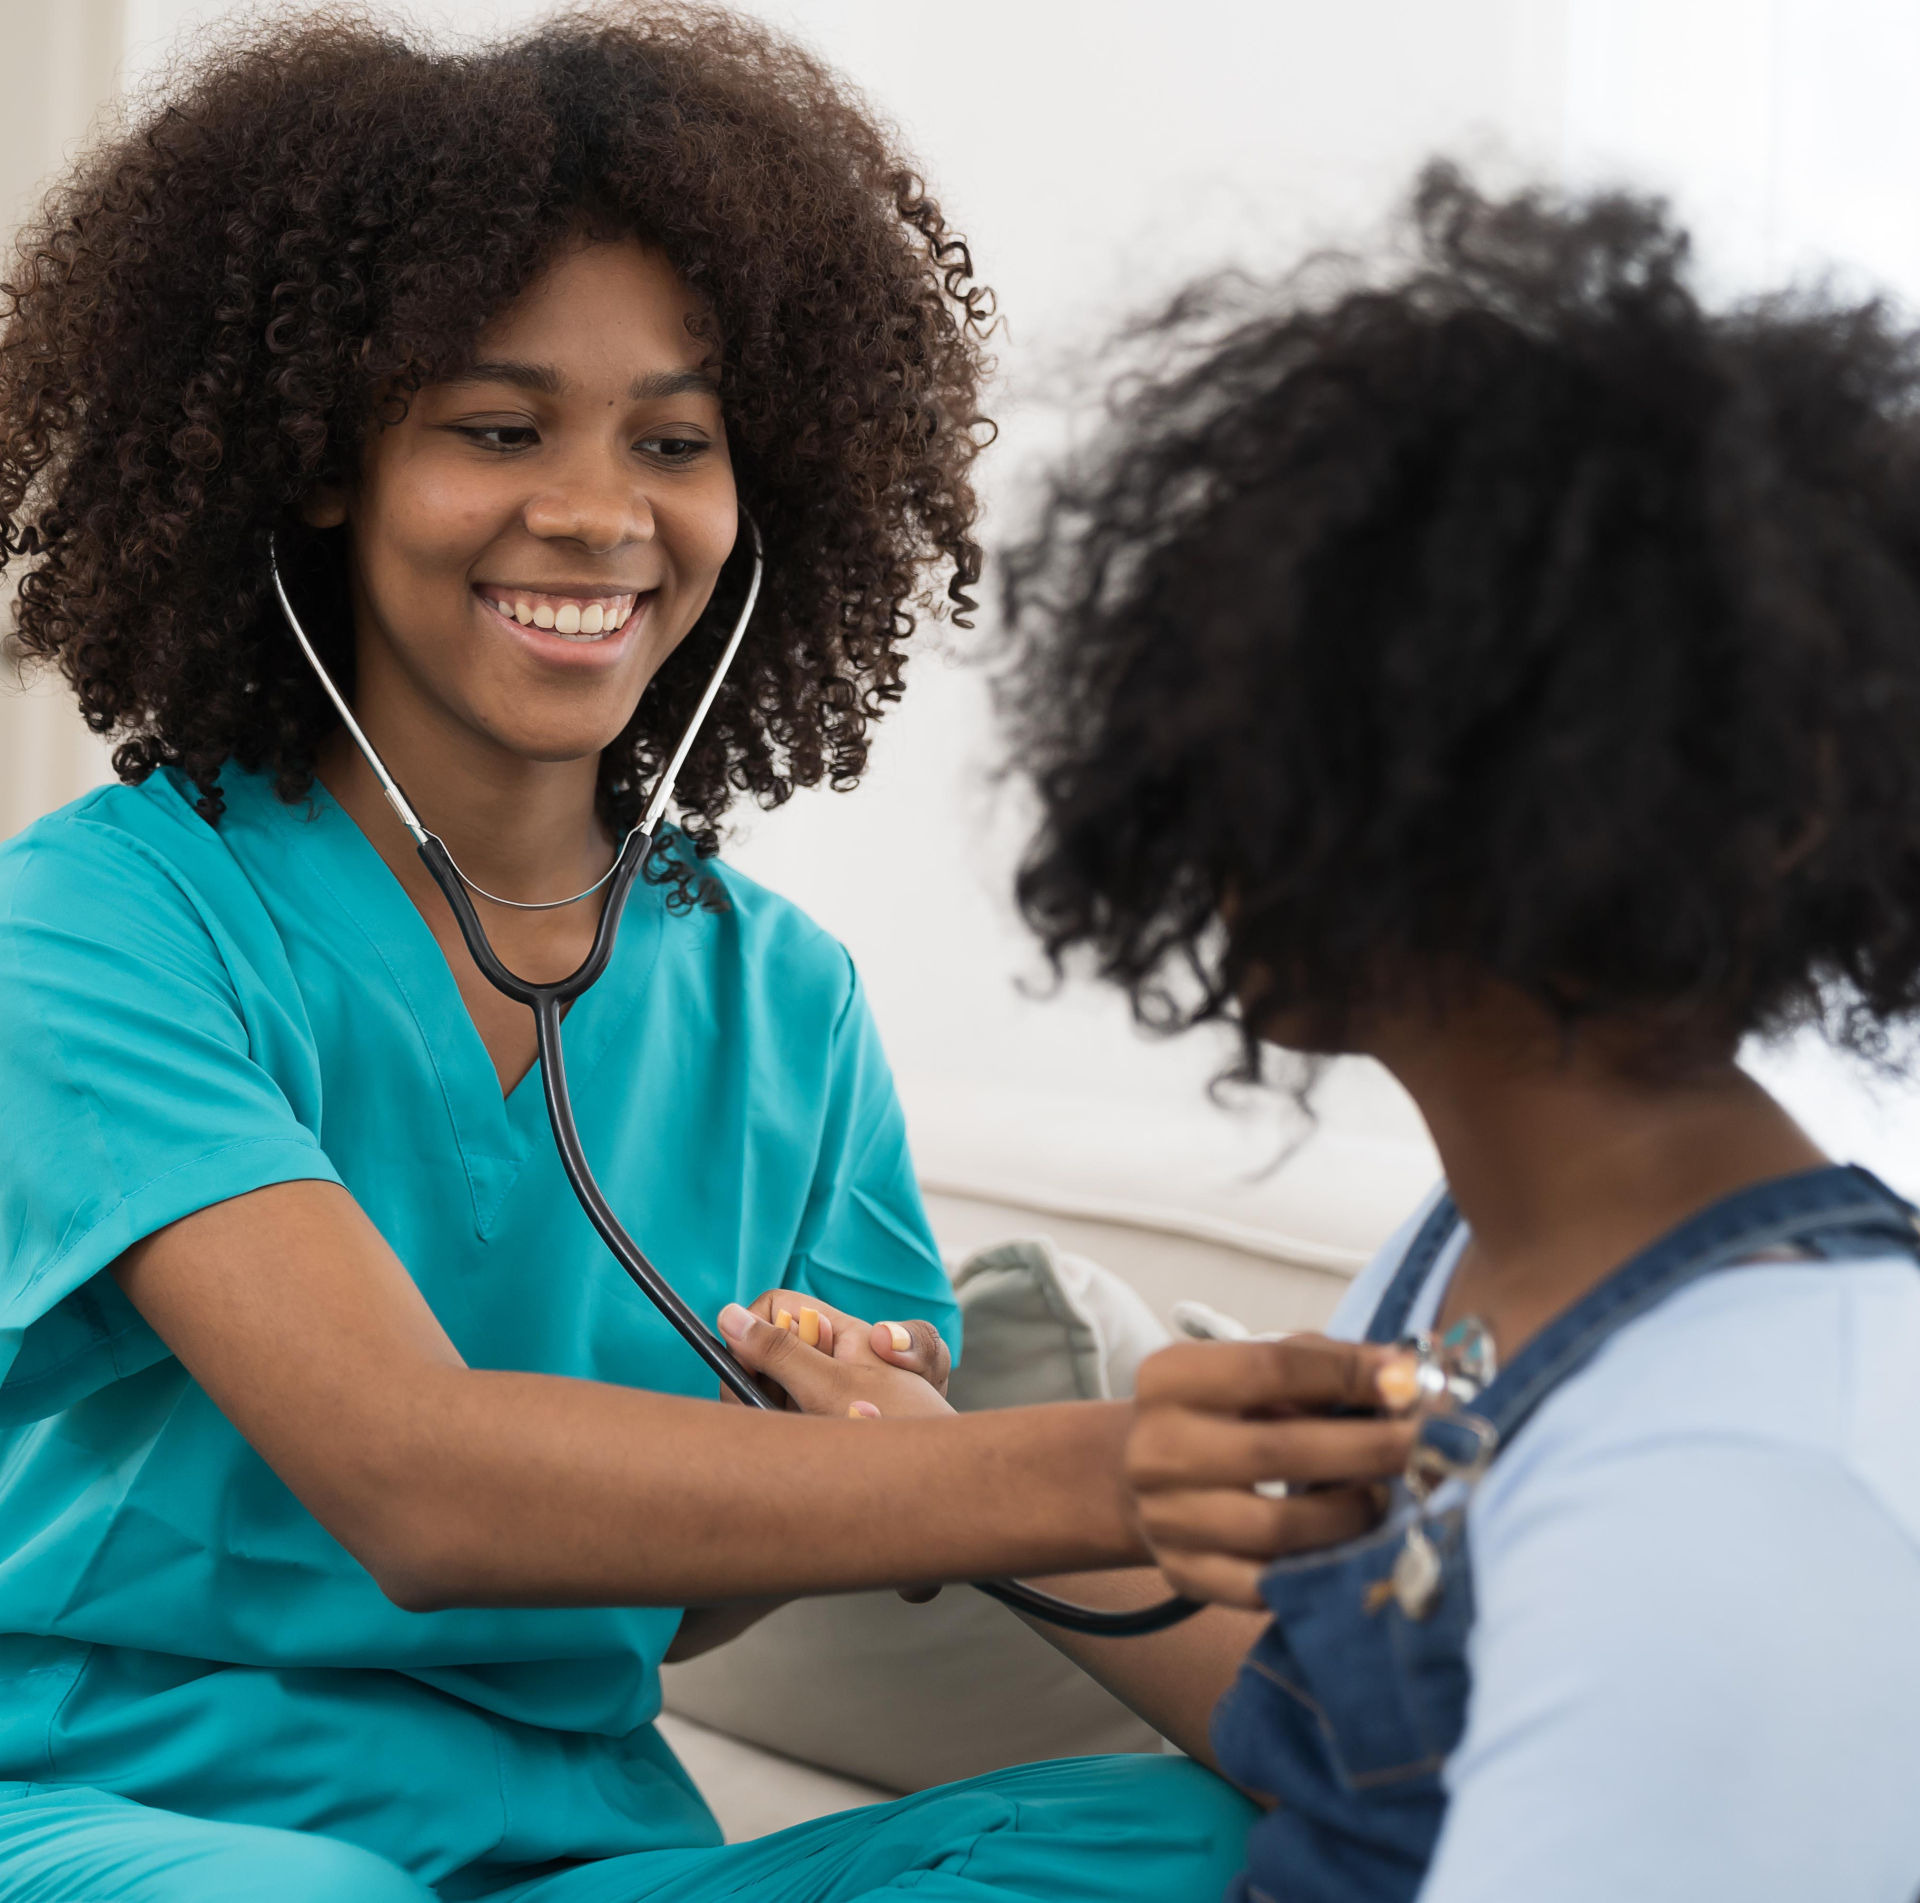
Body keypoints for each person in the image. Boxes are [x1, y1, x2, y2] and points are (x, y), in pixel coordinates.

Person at [0, 10, 1291, 1898]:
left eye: (674, 440)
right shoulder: (105, 924)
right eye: (497, 427)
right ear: (317, 466)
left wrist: (848, 1439)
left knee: (1207, 1849)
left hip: (578, 1856)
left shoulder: (786, 999)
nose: (599, 513)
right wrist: (1094, 1464)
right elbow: (420, 1487)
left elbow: (673, 1625)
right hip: (142, 1826)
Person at [992, 164, 1920, 1902]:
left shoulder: (1765, 1467)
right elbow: (1354, 1766)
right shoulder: (1469, 1257)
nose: (1200, 822)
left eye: (1263, 751)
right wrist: (936, 1489)